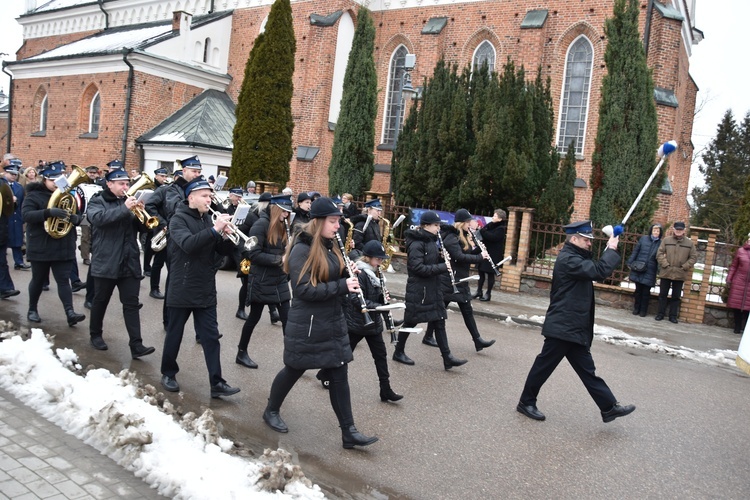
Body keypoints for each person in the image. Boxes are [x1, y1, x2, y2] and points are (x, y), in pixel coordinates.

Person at [262, 197, 378, 449]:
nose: (338, 226)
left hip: (332, 320)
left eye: (338, 221)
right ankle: (271, 410)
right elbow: (303, 289)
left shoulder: (330, 244)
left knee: (339, 373)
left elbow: (329, 273)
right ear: (318, 222)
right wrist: (342, 285)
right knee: (294, 368)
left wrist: (349, 273)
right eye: (333, 221)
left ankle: (349, 432)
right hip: (309, 323)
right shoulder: (302, 248)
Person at [517, 220, 635, 423]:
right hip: (564, 326)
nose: (590, 244)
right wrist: (612, 249)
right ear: (574, 239)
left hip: (572, 326)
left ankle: (608, 407)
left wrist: (609, 248)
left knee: (588, 371)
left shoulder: (576, 258)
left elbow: (594, 267)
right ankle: (526, 402)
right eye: (586, 240)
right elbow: (599, 271)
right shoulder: (568, 260)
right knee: (543, 366)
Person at [160, 176, 240, 398]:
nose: (209, 200)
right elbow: (188, 245)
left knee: (211, 337)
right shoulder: (178, 220)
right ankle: (168, 373)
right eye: (204, 196)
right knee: (175, 334)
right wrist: (215, 230)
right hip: (182, 285)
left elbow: (218, 252)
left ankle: (217, 382)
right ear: (191, 197)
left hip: (205, 286)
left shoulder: (207, 219)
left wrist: (226, 237)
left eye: (210, 196)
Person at [86, 168, 155, 358]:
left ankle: (136, 344)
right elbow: (98, 220)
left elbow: (144, 229)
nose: (125, 187)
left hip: (129, 261)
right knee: (100, 300)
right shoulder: (97, 200)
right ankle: (96, 335)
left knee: (131, 304)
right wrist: (124, 209)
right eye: (121, 183)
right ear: (109, 184)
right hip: (106, 260)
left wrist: (141, 212)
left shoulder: (129, 203)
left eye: (127, 183)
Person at [392, 210, 468, 369]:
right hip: (419, 290)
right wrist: (443, 267)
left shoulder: (432, 241)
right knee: (411, 321)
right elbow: (417, 268)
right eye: (435, 225)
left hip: (433, 288)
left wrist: (441, 257)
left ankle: (447, 357)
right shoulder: (417, 243)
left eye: (439, 225)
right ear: (426, 225)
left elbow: (430, 260)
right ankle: (398, 351)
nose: (438, 228)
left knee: (439, 320)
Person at [21, 161, 86, 326]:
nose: (57, 183)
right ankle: (32, 309)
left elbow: (78, 217)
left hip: (63, 245)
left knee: (64, 280)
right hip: (41, 245)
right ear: (45, 180)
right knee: (38, 279)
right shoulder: (34, 196)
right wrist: (48, 212)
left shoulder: (68, 195)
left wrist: (75, 218)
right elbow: (27, 215)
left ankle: (70, 312)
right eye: (53, 180)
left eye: (60, 179)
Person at [422, 209, 495, 351]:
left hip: (460, 279)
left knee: (466, 310)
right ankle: (428, 336)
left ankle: (477, 340)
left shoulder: (462, 237)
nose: (471, 225)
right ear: (462, 223)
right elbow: (459, 257)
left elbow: (465, 254)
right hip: (449, 280)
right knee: (440, 310)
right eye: (468, 222)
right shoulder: (451, 237)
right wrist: (479, 257)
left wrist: (480, 252)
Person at [235, 194, 293, 368]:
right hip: (262, 278)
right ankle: (241, 352)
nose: (287, 215)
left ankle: (292, 358)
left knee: (287, 319)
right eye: (284, 211)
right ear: (276, 209)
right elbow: (252, 253)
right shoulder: (260, 225)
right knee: (254, 317)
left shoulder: (283, 225)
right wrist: (278, 260)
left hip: (279, 279)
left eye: (288, 212)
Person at [345, 240, 403, 402]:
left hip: (374, 324)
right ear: (368, 257)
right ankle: (325, 375)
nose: (381, 262)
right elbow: (357, 300)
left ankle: (385, 390)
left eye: (381, 259)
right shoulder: (360, 274)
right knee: (345, 355)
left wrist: (384, 300)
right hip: (357, 323)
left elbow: (378, 299)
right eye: (378, 259)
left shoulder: (377, 273)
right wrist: (378, 306)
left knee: (381, 356)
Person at [655, 221, 697, 323]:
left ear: (684, 231)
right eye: (677, 229)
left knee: (676, 297)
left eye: (680, 230)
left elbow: (693, 257)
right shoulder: (666, 240)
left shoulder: (689, 243)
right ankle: (660, 314)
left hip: (680, 273)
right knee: (662, 295)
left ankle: (673, 316)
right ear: (673, 229)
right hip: (666, 272)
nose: (678, 231)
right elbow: (659, 254)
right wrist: (665, 264)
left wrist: (684, 267)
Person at [627, 224, 663, 317]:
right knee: (638, 291)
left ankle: (643, 310)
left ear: (660, 233)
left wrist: (660, 270)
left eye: (658, 231)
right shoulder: (643, 239)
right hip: (639, 268)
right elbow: (636, 251)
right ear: (651, 231)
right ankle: (636, 308)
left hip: (650, 269)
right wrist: (630, 262)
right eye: (654, 230)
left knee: (646, 292)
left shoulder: (661, 243)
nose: (656, 232)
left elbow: (661, 257)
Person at [142, 167, 169, 278]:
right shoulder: (150, 187)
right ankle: (146, 267)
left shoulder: (166, 188)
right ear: (156, 176)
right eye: (162, 176)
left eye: (165, 176)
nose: (164, 178)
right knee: (149, 245)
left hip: (160, 220)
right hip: (151, 219)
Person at [475, 208, 507, 302]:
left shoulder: (501, 229)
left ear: (500, 219)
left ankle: (488, 293)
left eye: (495, 216)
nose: (493, 217)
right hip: (485, 251)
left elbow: (492, 237)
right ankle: (479, 291)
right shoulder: (490, 225)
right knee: (480, 272)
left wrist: (483, 231)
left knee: (490, 274)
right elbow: (484, 231)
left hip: (493, 254)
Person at [3, 159, 30, 270]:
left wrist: (22, 216)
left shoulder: (19, 187)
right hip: (4, 218)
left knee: (17, 241)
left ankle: (18, 262)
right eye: (11, 174)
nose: (13, 176)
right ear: (5, 173)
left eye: (15, 174)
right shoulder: (2, 184)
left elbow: (23, 202)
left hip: (16, 217)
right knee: (3, 241)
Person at [0, 158, 19, 299]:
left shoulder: (3, 184)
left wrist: (12, 202)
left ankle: (5, 288)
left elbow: (8, 208)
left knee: (2, 261)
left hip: (2, 227)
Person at [726, 233, 750, 334]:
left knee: (748, 307)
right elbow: (734, 266)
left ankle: (745, 329)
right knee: (737, 305)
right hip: (739, 281)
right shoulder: (741, 251)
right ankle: (737, 327)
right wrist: (729, 278)